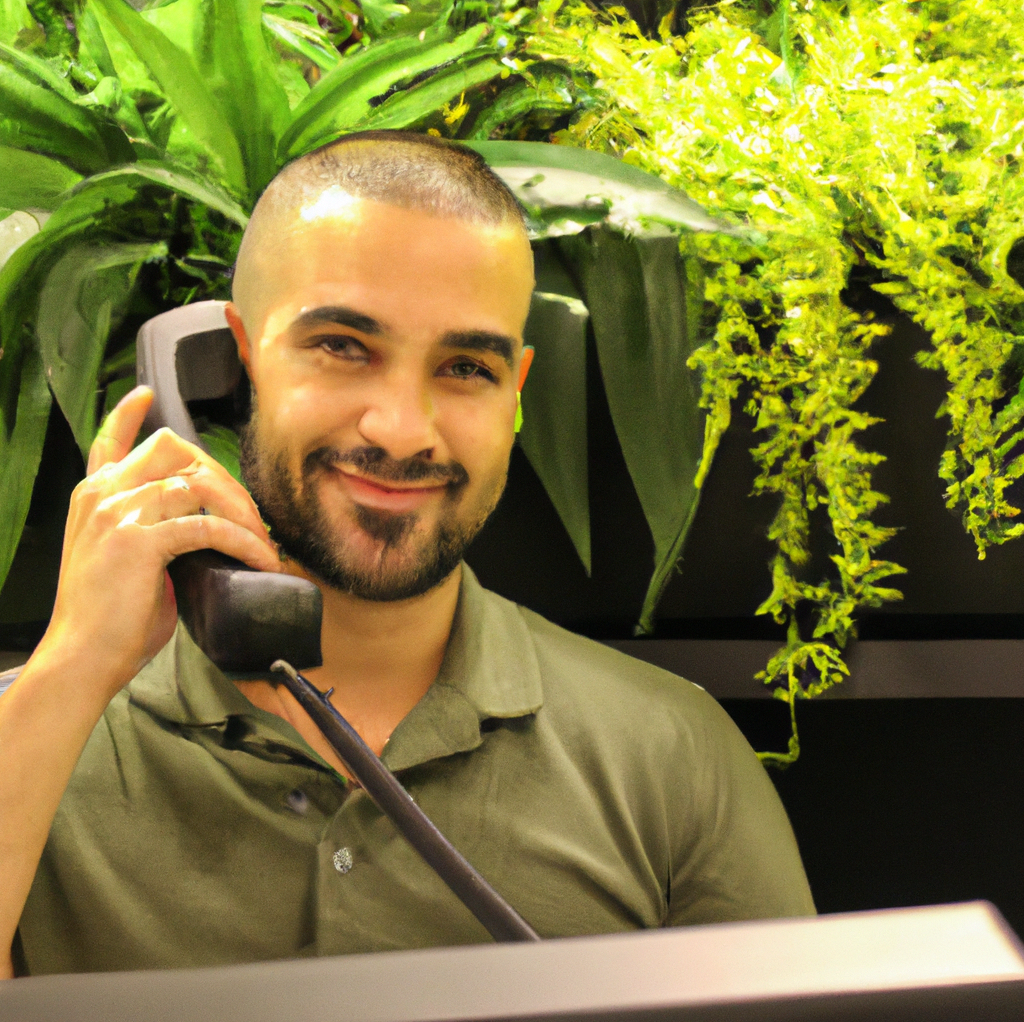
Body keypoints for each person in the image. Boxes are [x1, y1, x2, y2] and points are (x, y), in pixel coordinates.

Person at [0, 131, 814, 979]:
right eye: (344, 347)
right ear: (232, 365)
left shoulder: (669, 755)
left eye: (465, 367)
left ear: (515, 395)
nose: (404, 429)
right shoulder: (37, 739)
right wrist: (73, 669)